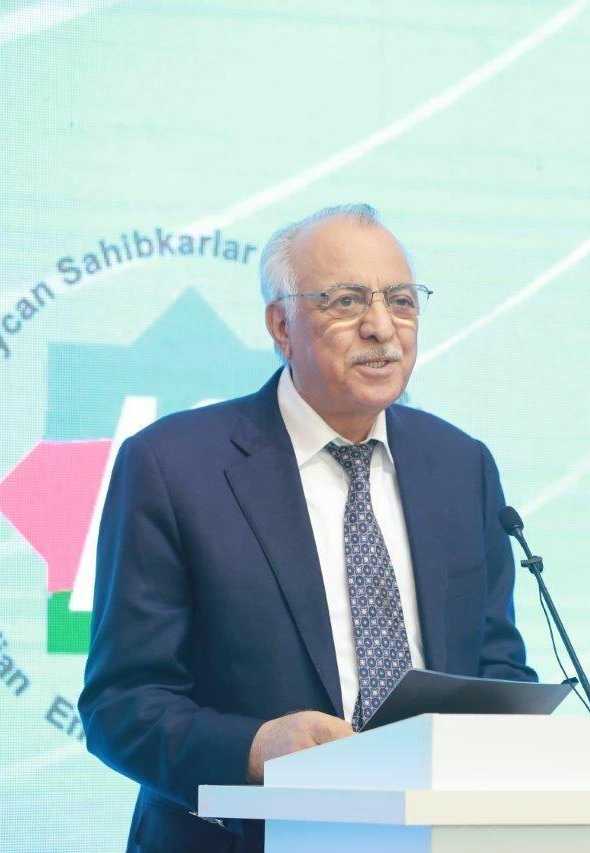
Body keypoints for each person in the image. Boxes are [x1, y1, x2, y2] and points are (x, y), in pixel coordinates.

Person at [79, 204, 536, 853]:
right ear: (280, 324)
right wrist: (254, 748)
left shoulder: (462, 466)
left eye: (402, 302)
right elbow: (122, 704)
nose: (382, 328)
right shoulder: (173, 465)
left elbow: (497, 671)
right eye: (347, 301)